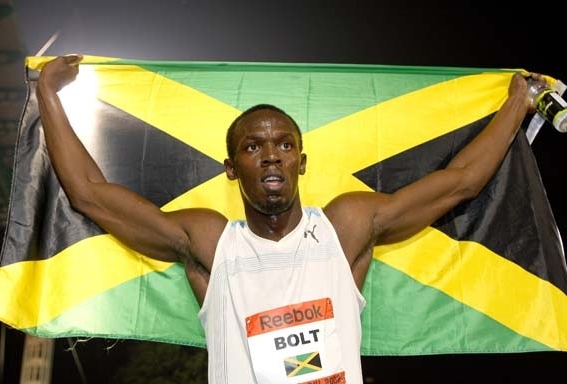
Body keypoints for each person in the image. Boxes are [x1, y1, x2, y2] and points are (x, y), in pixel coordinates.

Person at [37, 54, 542, 384]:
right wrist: (48, 95)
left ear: (302, 161)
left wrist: (517, 103)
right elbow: (90, 195)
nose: (272, 156)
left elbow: (460, 182)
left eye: (284, 145)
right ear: (232, 170)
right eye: (253, 147)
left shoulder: (345, 227)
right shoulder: (212, 241)